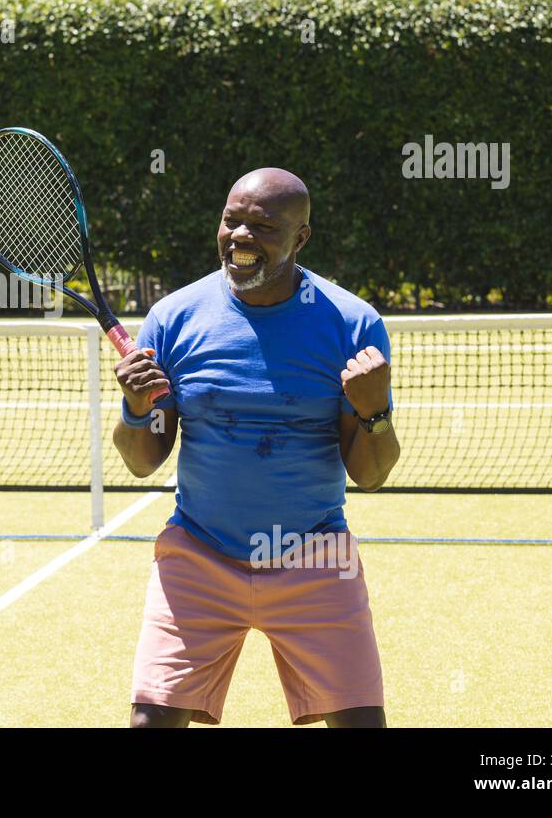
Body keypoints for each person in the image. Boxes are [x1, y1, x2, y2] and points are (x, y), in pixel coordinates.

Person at [114, 167, 399, 728]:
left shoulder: (352, 323)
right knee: (149, 723)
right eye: (231, 221)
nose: (240, 237)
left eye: (263, 226)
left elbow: (371, 475)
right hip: (199, 554)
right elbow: (143, 459)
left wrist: (375, 412)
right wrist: (137, 409)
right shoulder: (172, 319)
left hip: (316, 557)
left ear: (302, 238)